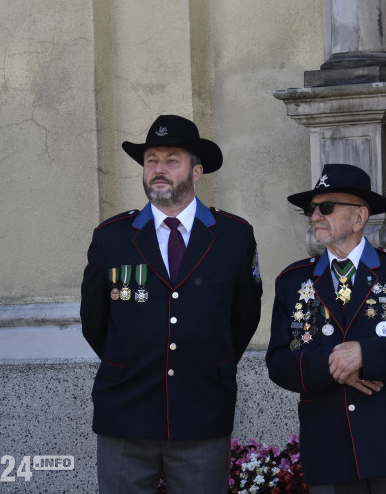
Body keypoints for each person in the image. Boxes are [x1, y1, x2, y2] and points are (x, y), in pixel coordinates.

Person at [81, 114, 262, 493]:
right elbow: (94, 321)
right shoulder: (111, 237)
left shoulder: (233, 236)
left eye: (171, 160)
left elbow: (243, 319)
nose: (158, 170)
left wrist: (208, 362)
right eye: (151, 161)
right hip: (125, 413)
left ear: (196, 172)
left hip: (201, 411)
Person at [266, 164, 386, 494]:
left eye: (327, 207)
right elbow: (278, 362)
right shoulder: (293, 281)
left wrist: (364, 354)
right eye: (312, 208)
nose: (316, 215)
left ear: (359, 217)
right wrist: (333, 364)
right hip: (329, 447)